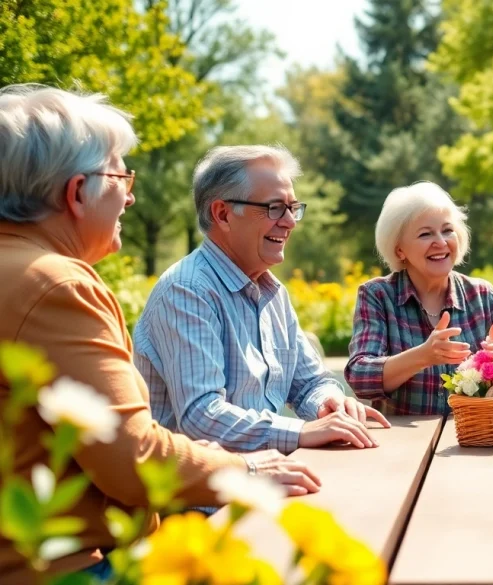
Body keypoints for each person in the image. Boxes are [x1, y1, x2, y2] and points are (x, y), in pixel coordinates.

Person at [0, 85, 320, 583]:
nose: (130, 194)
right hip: (71, 566)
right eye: (119, 174)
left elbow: (308, 378)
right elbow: (133, 456)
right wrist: (247, 473)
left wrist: (322, 405)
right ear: (76, 191)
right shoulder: (55, 284)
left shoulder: (21, 272)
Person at [133, 145, 389, 454]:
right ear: (223, 214)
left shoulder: (272, 292)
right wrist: (301, 431)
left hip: (261, 478)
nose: (290, 222)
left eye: (292, 208)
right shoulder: (186, 290)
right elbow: (201, 415)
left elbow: (310, 382)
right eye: (274, 208)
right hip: (204, 497)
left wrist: (328, 404)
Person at [345, 181, 493, 415]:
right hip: (404, 444)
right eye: (426, 234)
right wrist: (423, 356)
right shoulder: (377, 296)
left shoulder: (482, 295)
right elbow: (359, 377)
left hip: (472, 437)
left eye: (447, 230)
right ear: (399, 249)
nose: (441, 242)